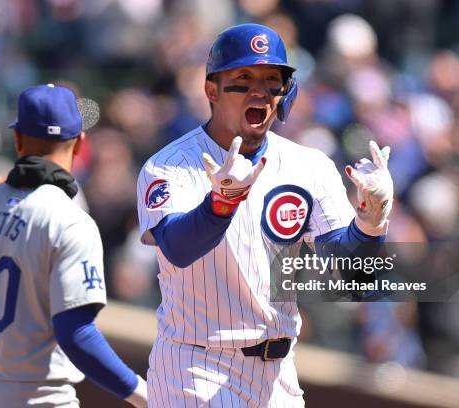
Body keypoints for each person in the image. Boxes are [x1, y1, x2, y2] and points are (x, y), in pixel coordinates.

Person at [136, 24, 393, 406]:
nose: (260, 91)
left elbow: (351, 280)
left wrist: (371, 225)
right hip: (196, 366)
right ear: (212, 90)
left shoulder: (309, 165)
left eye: (272, 80)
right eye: (244, 78)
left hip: (278, 374)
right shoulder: (169, 166)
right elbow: (177, 248)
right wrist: (219, 205)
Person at [0, 84, 148, 407]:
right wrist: (147, 395)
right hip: (40, 397)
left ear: (17, 140)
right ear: (78, 143)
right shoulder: (71, 219)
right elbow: (77, 333)